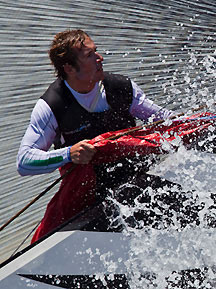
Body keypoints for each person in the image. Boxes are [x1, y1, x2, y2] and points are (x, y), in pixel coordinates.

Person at [16, 29, 172, 241]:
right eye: (90, 55)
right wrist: (69, 153)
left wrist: (204, 119)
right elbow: (24, 162)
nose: (100, 58)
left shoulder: (122, 87)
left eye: (96, 51)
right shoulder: (51, 106)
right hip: (90, 202)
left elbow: (166, 120)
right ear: (69, 68)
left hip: (137, 181)